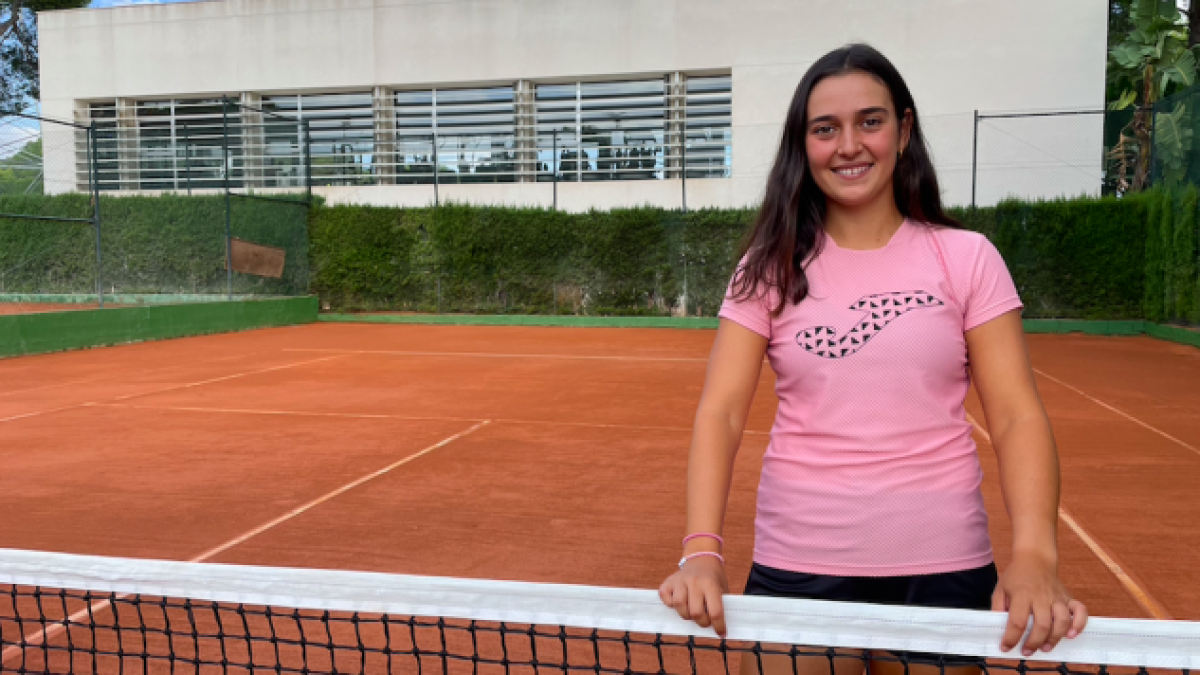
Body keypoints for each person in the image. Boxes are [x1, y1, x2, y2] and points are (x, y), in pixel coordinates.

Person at [657, 43, 1088, 675]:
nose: (849, 145)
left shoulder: (966, 258)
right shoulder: (768, 269)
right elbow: (720, 413)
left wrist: (1035, 557)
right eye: (825, 129)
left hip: (942, 567)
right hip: (799, 563)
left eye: (870, 121)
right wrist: (701, 551)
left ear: (904, 129)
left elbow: (1017, 416)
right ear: (803, 145)